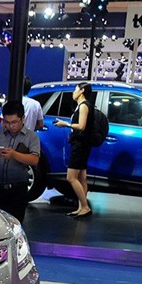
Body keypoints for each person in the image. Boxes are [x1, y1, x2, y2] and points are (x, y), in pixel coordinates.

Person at [0, 100, 41, 223]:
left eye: (14, 122)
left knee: (15, 224)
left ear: (23, 118)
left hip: (18, 190)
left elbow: (34, 160)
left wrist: (14, 154)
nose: (10, 126)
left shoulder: (31, 137)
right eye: (7, 122)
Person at [53, 82, 93, 217]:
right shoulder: (82, 106)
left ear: (82, 90)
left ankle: (85, 207)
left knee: (71, 177)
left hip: (80, 146)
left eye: (75, 89)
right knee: (81, 178)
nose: (73, 92)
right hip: (82, 145)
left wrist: (65, 124)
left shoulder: (84, 106)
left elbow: (81, 126)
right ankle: (81, 207)